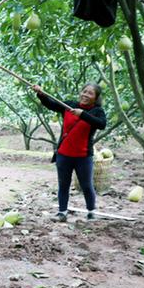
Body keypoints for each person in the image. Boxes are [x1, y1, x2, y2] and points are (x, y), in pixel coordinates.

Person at [33, 82, 107, 222]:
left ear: (96, 97)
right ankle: (62, 213)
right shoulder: (69, 105)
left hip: (83, 156)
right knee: (63, 185)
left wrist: (82, 114)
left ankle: (91, 212)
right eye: (84, 91)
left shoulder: (97, 111)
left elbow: (101, 124)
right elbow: (51, 104)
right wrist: (41, 94)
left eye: (90, 93)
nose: (86, 95)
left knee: (86, 185)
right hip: (64, 154)